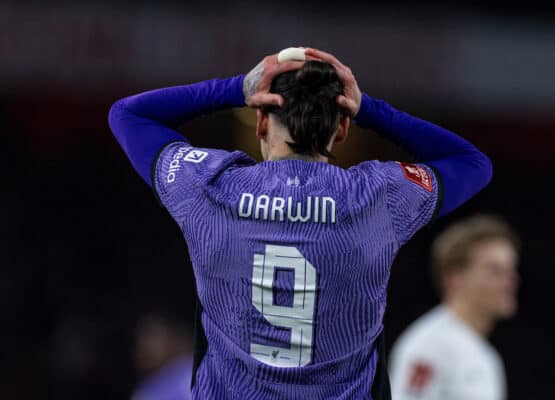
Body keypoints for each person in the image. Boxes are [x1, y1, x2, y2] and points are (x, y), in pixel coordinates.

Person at [108, 47, 492, 399]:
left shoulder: (212, 188)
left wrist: (235, 88)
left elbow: (128, 115)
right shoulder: (378, 198)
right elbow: (471, 163)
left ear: (260, 121)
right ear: (341, 129)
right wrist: (369, 109)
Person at [388, 215, 520, 400]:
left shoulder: (486, 355)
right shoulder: (430, 346)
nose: (510, 281)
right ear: (454, 278)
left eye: (510, 270)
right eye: (494, 271)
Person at [131, 313, 194, 400]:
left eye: (154, 339)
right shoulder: (147, 390)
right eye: (144, 343)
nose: (149, 348)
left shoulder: (192, 368)